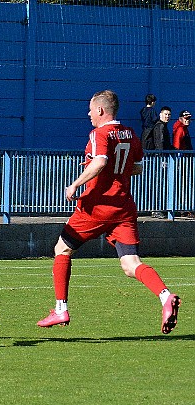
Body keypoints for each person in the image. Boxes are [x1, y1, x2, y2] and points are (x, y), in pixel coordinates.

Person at [36, 90, 180, 334]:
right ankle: (165, 296)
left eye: (91, 109)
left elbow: (100, 161)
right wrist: (117, 171)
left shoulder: (99, 133)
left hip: (96, 206)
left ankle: (61, 309)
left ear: (101, 110)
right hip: (123, 207)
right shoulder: (131, 134)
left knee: (62, 249)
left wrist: (76, 183)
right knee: (131, 264)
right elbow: (137, 168)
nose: (89, 114)